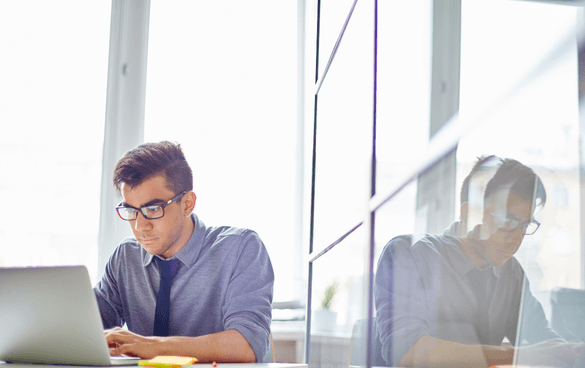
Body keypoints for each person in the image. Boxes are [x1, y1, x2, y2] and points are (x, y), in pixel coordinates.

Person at [374, 158, 583, 367]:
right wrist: (516, 355)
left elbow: (541, 337)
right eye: (507, 221)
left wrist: (569, 352)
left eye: (524, 225)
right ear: (468, 213)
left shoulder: (512, 273)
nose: (517, 237)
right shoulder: (409, 254)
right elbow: (407, 354)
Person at [93, 141, 274, 363]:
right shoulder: (125, 258)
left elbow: (246, 345)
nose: (140, 227)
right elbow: (88, 330)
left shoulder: (241, 248)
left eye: (152, 209)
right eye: (131, 211)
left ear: (187, 204)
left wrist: (151, 346)